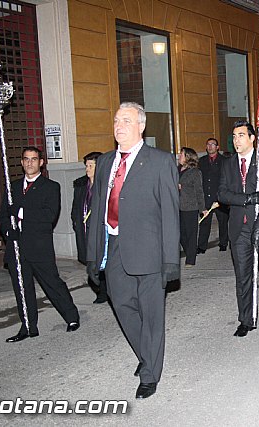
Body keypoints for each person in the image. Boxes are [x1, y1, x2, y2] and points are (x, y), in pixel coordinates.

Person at [86, 102, 180, 399]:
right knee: (123, 305)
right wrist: (92, 254)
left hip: (150, 251)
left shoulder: (160, 161)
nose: (118, 126)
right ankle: (147, 353)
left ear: (141, 126)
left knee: (152, 315)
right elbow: (99, 208)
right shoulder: (104, 162)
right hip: (114, 247)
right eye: (116, 120)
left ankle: (150, 374)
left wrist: (170, 261)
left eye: (125, 121)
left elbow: (170, 214)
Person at [0, 147, 80, 342]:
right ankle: (28, 327)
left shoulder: (51, 187)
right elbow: (3, 215)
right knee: (22, 288)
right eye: (26, 159)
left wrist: (21, 213)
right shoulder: (13, 187)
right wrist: (8, 231)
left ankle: (71, 317)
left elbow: (49, 216)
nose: (29, 163)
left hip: (39, 246)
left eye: (34, 159)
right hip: (17, 247)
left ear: (41, 163)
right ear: (21, 162)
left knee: (52, 284)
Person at [218, 120, 259, 337]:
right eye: (234, 136)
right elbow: (223, 194)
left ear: (253, 138)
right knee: (243, 276)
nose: (236, 140)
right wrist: (245, 199)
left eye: (241, 135)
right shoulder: (228, 164)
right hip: (238, 229)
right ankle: (246, 319)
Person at [72, 151, 107, 303]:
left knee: (103, 261)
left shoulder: (106, 186)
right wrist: (75, 221)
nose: (87, 169)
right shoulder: (81, 185)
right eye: (86, 166)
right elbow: (75, 207)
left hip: (100, 232)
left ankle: (104, 292)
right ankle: (99, 289)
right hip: (85, 230)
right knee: (90, 262)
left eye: (90, 166)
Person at [198, 137, 229, 253]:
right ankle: (201, 246)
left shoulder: (224, 161)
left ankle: (223, 243)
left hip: (220, 197)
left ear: (217, 147)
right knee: (205, 222)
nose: (210, 146)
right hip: (206, 196)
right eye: (208, 144)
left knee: (223, 221)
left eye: (213, 144)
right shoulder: (202, 161)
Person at [178, 147, 206, 267]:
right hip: (177, 206)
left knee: (191, 233)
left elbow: (199, 191)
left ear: (188, 157)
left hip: (190, 206)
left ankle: (190, 259)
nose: (179, 156)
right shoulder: (177, 169)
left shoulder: (195, 172)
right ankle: (190, 250)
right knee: (180, 234)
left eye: (182, 154)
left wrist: (202, 208)